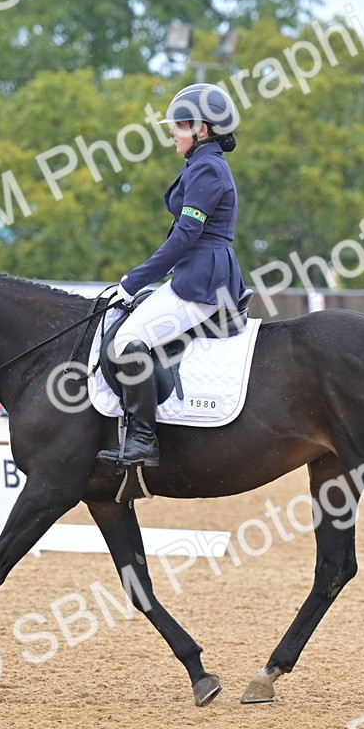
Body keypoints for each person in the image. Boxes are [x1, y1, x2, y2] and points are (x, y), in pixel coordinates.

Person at [96, 83, 247, 468]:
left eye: (179, 125)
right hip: (198, 271)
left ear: (203, 129)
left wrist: (132, 281)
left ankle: (144, 441)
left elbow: (185, 235)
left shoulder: (208, 169)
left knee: (129, 339)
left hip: (202, 279)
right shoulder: (202, 165)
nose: (172, 132)